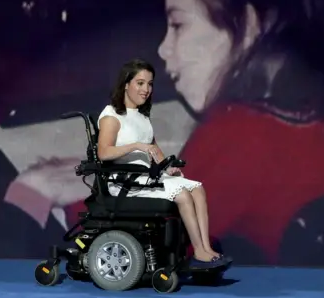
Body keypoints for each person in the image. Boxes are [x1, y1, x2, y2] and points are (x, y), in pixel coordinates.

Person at [157, 0, 324, 266]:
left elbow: (143, 246)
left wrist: (48, 196)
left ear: (248, 24)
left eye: (178, 25)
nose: (162, 49)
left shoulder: (240, 132)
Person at [96, 58, 230, 267]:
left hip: (145, 178)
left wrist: (168, 168)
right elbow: (103, 153)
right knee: (183, 195)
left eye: (149, 84)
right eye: (140, 83)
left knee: (198, 189)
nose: (146, 89)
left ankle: (205, 247)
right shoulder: (112, 115)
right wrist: (136, 146)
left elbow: (154, 148)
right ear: (126, 84)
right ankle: (197, 250)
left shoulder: (141, 116)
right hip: (124, 182)